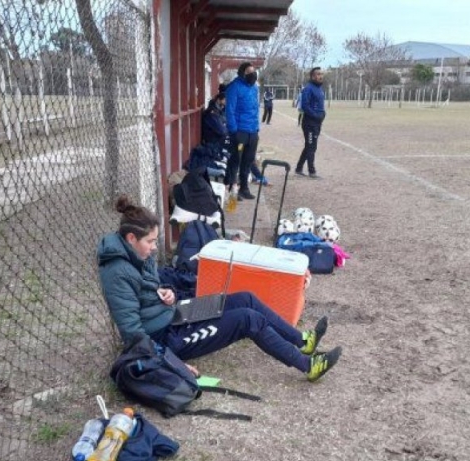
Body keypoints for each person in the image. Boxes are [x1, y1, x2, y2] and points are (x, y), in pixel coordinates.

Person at [97, 196, 342, 382]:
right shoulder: (116, 272)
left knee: (246, 298)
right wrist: (172, 364)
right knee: (247, 320)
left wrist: (165, 292)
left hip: (175, 314)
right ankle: (308, 366)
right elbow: (133, 333)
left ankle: (302, 341)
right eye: (150, 242)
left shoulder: (138, 254)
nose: (153, 248)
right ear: (131, 239)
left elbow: (149, 288)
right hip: (166, 338)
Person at [225, 62, 260, 201]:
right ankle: (233, 190)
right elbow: (230, 110)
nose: (252, 74)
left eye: (254, 71)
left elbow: (256, 109)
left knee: (248, 161)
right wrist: (234, 130)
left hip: (252, 132)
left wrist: (257, 128)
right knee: (235, 161)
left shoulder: (255, 88)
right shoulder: (234, 87)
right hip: (240, 132)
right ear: (242, 73)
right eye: (249, 72)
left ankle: (244, 188)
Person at [295, 67, 326, 179]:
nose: (321, 76)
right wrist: (316, 115)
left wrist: (323, 114)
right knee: (311, 147)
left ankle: (298, 168)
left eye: (322, 74)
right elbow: (305, 106)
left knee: (310, 146)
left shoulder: (320, 89)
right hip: (309, 123)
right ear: (313, 76)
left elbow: (320, 106)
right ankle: (312, 171)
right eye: (318, 74)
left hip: (317, 123)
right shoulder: (308, 89)